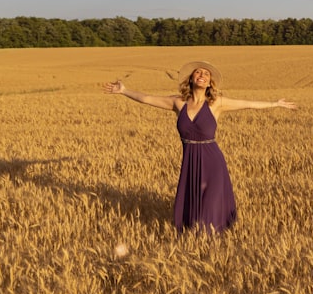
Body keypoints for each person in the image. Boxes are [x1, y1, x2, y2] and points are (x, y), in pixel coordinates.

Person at [103, 60, 297, 233]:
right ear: (191, 78)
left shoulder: (216, 103)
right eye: (198, 72)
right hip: (190, 160)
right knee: (193, 202)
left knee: (209, 204)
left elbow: (248, 104)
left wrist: (275, 104)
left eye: (206, 74)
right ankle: (194, 239)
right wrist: (123, 90)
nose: (202, 75)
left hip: (212, 161)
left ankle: (210, 241)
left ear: (210, 82)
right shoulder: (177, 103)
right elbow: (146, 98)